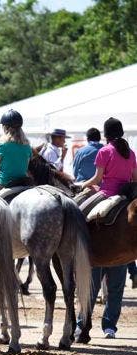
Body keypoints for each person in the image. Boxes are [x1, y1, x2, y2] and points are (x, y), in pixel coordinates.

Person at [77, 117, 137, 339]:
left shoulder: (104, 151)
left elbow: (97, 178)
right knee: (117, 285)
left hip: (107, 194)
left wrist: (82, 185)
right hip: (125, 196)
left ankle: (82, 323)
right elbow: (134, 178)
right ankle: (110, 325)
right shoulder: (130, 153)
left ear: (106, 135)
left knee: (77, 214)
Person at [0, 109, 32, 193]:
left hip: (4, 183)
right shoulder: (27, 146)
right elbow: (25, 168)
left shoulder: (3, 145)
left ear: (6, 127)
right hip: (22, 182)